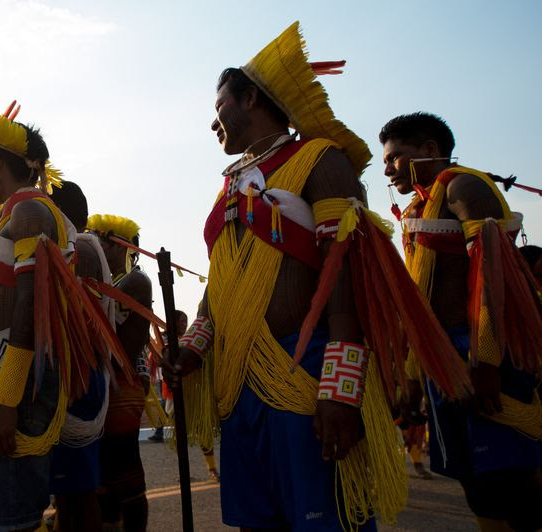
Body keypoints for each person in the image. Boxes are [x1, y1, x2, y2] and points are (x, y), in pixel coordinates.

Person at [165, 22, 472, 531]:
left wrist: (341, 387)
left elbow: (348, 271)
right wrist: (194, 346)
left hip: (302, 370)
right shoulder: (229, 186)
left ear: (248, 97)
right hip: (238, 382)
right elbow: (221, 281)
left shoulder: (321, 160)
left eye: (218, 106)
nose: (212, 122)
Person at [380, 111, 542, 531]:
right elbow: (419, 299)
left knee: (516, 487)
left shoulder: (465, 186)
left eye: (396, 156)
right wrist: (413, 378)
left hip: (483, 358)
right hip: (442, 360)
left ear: (430, 150)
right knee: (480, 489)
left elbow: (494, 272)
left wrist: (486, 358)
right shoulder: (418, 206)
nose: (387, 168)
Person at [0, 105, 116, 532]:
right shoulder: (15, 212)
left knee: (14, 520)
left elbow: (31, 305)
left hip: (20, 386)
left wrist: (7, 399)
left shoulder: (31, 212)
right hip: (9, 375)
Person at [48, 180, 111, 532]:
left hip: (79, 377)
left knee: (78, 494)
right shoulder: (81, 245)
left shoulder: (82, 248)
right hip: (79, 375)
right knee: (69, 495)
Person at [87, 214, 152, 532]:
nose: (99, 246)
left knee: (125, 474)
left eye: (105, 241)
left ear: (123, 247)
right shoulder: (112, 283)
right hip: (108, 385)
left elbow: (126, 347)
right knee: (105, 479)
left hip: (122, 388)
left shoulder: (135, 282)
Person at [148, 310, 187, 443]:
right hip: (165, 378)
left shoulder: (182, 339)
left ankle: (163, 432)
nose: (185, 324)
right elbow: (159, 357)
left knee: (170, 405)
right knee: (168, 404)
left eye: (186, 321)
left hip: (176, 377)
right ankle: (165, 432)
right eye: (182, 321)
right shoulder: (164, 339)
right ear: (174, 323)